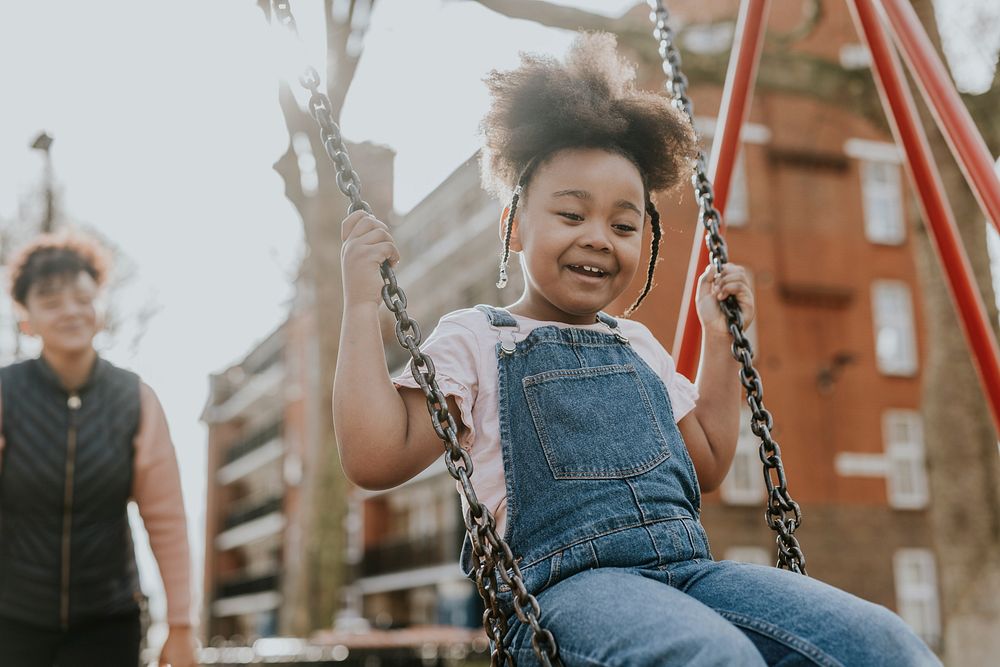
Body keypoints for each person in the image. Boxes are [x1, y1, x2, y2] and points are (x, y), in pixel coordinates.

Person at [333, 33, 940, 666]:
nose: (599, 237)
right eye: (572, 216)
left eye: (623, 226)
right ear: (515, 227)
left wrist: (721, 339)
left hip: (689, 573)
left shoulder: (638, 345)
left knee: (881, 643)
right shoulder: (478, 338)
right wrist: (358, 307)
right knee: (710, 656)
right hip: (563, 595)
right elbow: (375, 457)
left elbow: (704, 460)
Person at [0, 233, 198, 667]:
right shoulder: (4, 393)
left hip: (108, 622)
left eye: (82, 298)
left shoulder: (136, 399)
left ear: (100, 310)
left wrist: (180, 625)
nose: (70, 310)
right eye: (51, 301)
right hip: (11, 620)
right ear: (26, 318)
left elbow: (165, 517)